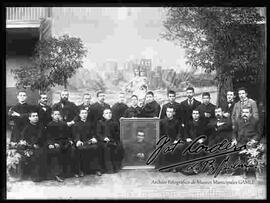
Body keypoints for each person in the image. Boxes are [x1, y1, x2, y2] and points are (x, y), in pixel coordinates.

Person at [231, 107, 261, 177]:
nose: (245, 114)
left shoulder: (255, 121)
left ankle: (249, 171)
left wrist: (254, 140)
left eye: (247, 112)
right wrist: (234, 139)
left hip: (250, 142)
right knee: (232, 150)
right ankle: (238, 170)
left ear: (250, 114)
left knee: (249, 151)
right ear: (241, 113)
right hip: (240, 142)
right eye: (243, 112)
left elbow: (259, 133)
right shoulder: (238, 121)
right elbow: (234, 132)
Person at [46, 110, 75, 181]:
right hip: (56, 142)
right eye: (55, 114)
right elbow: (48, 137)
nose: (57, 116)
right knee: (57, 152)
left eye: (58, 114)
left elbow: (68, 134)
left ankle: (68, 172)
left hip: (65, 142)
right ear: (52, 116)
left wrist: (70, 140)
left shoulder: (63, 123)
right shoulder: (50, 125)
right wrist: (51, 143)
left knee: (72, 150)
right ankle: (57, 174)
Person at [72, 109, 102, 176]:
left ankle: (96, 169)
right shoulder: (76, 124)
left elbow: (94, 133)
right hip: (81, 142)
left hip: (89, 142)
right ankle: (81, 170)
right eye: (82, 113)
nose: (84, 115)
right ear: (79, 115)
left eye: (85, 113)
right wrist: (78, 140)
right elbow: (75, 134)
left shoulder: (91, 124)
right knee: (79, 150)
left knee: (96, 148)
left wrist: (94, 138)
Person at [20, 111, 47, 182]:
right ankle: (35, 176)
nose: (35, 117)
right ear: (29, 118)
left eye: (36, 116)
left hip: (41, 145)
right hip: (30, 147)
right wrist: (32, 145)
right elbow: (24, 139)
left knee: (44, 152)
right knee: (35, 154)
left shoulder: (41, 126)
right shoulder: (26, 128)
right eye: (33, 116)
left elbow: (45, 137)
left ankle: (44, 175)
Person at [96, 108, 123, 173]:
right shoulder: (100, 122)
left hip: (113, 140)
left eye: (110, 113)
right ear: (103, 115)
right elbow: (98, 133)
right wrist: (104, 138)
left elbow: (118, 132)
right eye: (107, 113)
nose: (109, 114)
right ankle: (109, 169)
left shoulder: (115, 122)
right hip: (104, 141)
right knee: (107, 148)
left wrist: (115, 139)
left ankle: (116, 166)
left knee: (119, 147)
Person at [158, 106, 183, 172]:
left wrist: (177, 140)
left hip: (174, 139)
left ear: (174, 113)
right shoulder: (162, 122)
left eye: (171, 112)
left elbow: (179, 132)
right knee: (165, 147)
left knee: (178, 147)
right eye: (168, 111)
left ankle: (175, 167)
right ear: (166, 112)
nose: (169, 113)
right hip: (165, 139)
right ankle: (166, 167)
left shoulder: (177, 122)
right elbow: (159, 133)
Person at [207, 107, 233, 171]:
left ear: (222, 112)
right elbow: (209, 125)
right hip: (215, 140)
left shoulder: (227, 119)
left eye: (219, 112)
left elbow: (229, 125)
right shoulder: (213, 120)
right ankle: (212, 168)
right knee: (210, 149)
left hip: (225, 140)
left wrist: (217, 127)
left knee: (223, 150)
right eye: (216, 112)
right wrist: (217, 124)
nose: (217, 113)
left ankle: (224, 168)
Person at [184, 109, 208, 175]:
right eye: (194, 113)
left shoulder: (203, 123)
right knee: (189, 147)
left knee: (199, 147)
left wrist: (202, 139)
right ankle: (189, 166)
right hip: (191, 140)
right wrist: (187, 138)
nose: (195, 115)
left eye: (197, 113)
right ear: (192, 115)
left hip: (200, 141)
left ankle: (196, 167)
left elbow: (206, 133)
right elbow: (185, 132)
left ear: (199, 115)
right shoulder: (189, 123)